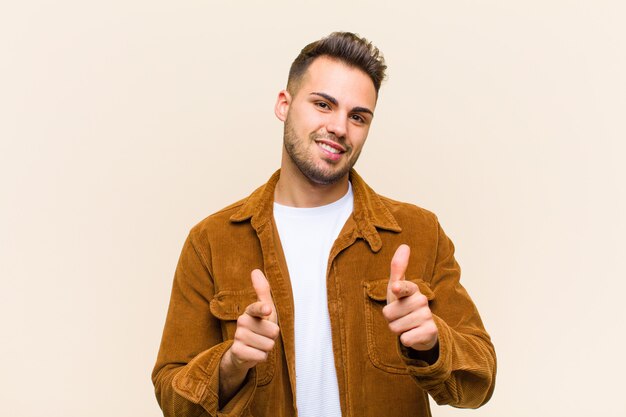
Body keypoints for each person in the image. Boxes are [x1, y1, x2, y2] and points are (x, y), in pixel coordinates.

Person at [152, 32, 496, 417]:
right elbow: (172, 400)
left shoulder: (419, 232)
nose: (339, 128)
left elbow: (479, 383)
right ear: (284, 104)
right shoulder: (211, 241)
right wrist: (232, 364)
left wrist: (433, 342)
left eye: (357, 116)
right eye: (323, 104)